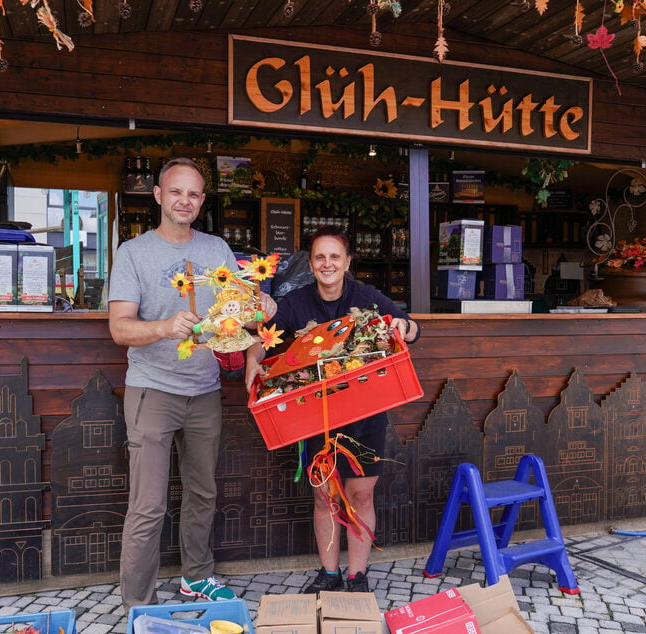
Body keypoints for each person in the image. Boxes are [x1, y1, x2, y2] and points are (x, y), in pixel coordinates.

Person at [108, 157, 276, 609]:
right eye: (176, 191)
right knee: (148, 505)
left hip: (204, 390)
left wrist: (263, 306)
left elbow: (240, 309)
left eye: (194, 194)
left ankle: (196, 579)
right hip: (152, 389)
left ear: (202, 201)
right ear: (159, 196)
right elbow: (120, 329)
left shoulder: (217, 249)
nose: (185, 200)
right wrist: (164, 327)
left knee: (203, 492)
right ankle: (139, 604)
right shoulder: (133, 253)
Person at [245, 226, 418, 594]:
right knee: (326, 497)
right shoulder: (296, 302)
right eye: (320, 257)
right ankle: (330, 574)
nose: (327, 264)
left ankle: (357, 576)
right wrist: (252, 360)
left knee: (361, 496)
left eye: (335, 257)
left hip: (366, 415)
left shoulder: (366, 297)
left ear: (347, 262)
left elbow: (409, 327)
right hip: (316, 417)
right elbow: (263, 340)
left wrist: (405, 325)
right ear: (311, 263)